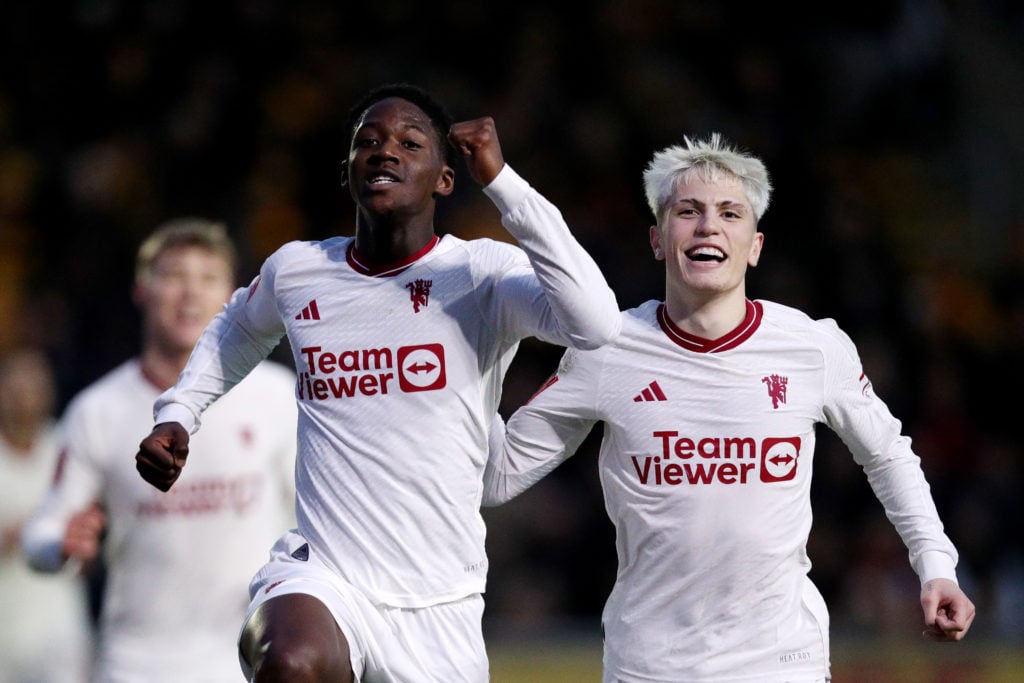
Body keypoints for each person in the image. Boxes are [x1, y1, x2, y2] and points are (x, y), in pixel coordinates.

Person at [134, 82, 621, 682]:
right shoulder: (298, 270)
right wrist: (179, 411)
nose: (386, 151)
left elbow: (595, 323)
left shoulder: (482, 275)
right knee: (289, 662)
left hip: (439, 604)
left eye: (410, 142)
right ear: (348, 172)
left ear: (445, 178)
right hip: (325, 574)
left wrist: (504, 185)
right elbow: (234, 330)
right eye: (369, 141)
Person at [482, 133, 975, 682]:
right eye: (687, 211)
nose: (707, 226)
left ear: (755, 245)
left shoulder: (813, 347)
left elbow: (888, 456)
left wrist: (936, 566)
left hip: (783, 661)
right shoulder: (606, 350)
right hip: (650, 666)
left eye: (729, 213)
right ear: (657, 239)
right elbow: (495, 477)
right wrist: (473, 362)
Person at [21, 219, 298, 682]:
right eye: (172, 276)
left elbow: (309, 522)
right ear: (141, 291)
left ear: (232, 295)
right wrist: (61, 545)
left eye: (207, 278)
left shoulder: (276, 396)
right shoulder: (99, 411)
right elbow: (43, 533)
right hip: (136, 663)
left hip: (248, 660)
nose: (190, 293)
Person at [0, 348, 94, 683]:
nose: (24, 397)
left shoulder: (65, 448)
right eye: (14, 387)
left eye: (34, 386)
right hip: (6, 634)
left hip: (59, 632)